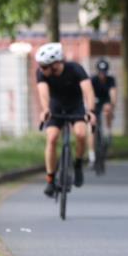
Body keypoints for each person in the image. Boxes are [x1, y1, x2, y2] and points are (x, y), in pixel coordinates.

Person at [35, 42, 96, 196]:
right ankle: (50, 179)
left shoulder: (75, 69)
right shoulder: (41, 73)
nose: (41, 69)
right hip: (55, 107)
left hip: (75, 106)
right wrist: (45, 109)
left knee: (81, 134)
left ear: (55, 64)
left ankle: (77, 164)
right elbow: (43, 92)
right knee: (52, 137)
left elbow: (88, 91)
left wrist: (91, 111)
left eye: (44, 66)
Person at [88, 58, 117, 163]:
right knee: (92, 127)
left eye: (104, 72)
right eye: (101, 73)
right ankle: (91, 155)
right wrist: (90, 108)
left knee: (108, 109)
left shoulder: (110, 80)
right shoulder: (93, 80)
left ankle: (108, 132)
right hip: (94, 103)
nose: (103, 75)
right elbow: (88, 94)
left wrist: (112, 105)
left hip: (105, 103)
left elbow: (113, 93)